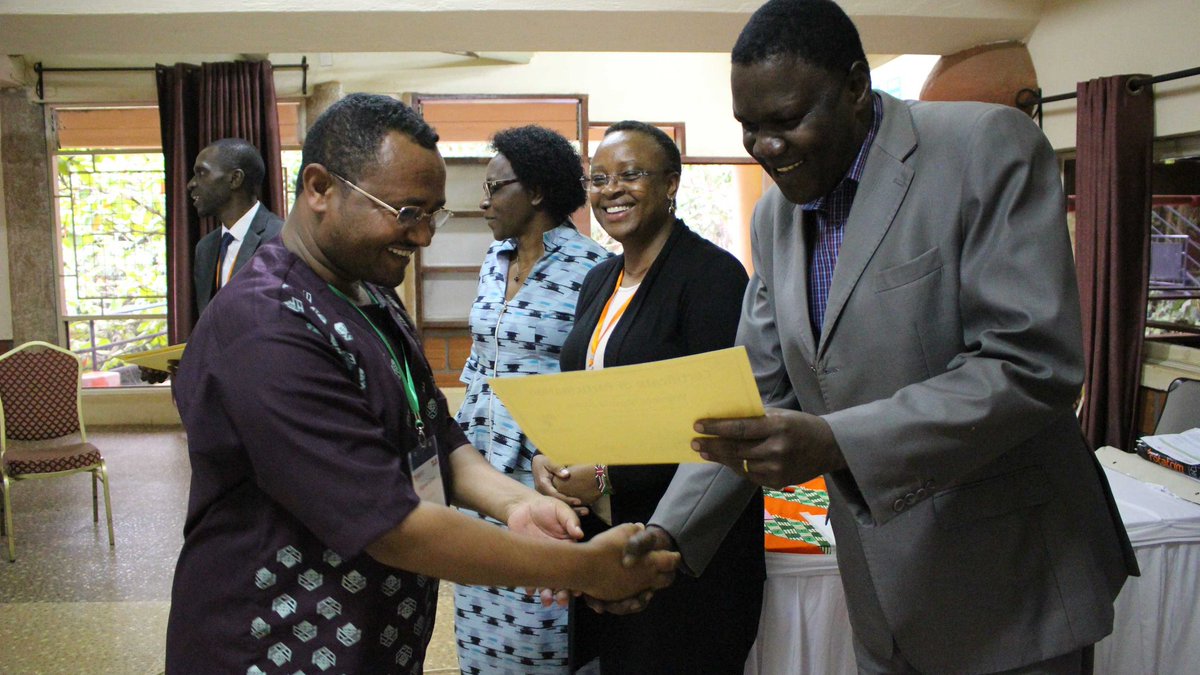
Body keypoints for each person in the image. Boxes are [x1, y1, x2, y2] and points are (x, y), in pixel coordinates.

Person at [667, 1, 1139, 673]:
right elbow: (752, 393)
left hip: (1010, 585)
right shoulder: (775, 216)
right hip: (883, 595)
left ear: (857, 86)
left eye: (788, 120)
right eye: (750, 127)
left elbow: (1032, 362)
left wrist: (836, 440)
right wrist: (665, 533)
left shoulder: (985, 146)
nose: (767, 147)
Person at [164, 94, 677, 674]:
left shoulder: (368, 294)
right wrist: (584, 568)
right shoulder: (266, 327)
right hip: (272, 646)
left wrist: (516, 506)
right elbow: (394, 526)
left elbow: (435, 432)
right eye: (407, 212)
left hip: (365, 641)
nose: (424, 236)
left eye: (434, 214)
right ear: (319, 188)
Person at [533, 121, 764, 674]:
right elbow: (588, 392)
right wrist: (554, 457)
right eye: (599, 178)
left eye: (631, 174)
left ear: (671, 184)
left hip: (682, 545)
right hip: (602, 535)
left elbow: (721, 430)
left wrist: (610, 475)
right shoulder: (599, 280)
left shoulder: (712, 277)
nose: (611, 189)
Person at [453, 125, 611, 674]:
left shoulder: (592, 268)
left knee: (541, 626)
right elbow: (479, 359)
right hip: (479, 470)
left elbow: (598, 378)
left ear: (537, 191)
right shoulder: (492, 262)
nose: (484, 200)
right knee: (477, 611)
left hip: (544, 472)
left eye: (496, 187)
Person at [189, 137, 285, 316]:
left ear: (235, 179)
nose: (191, 184)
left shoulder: (281, 239)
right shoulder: (205, 248)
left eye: (201, 173)